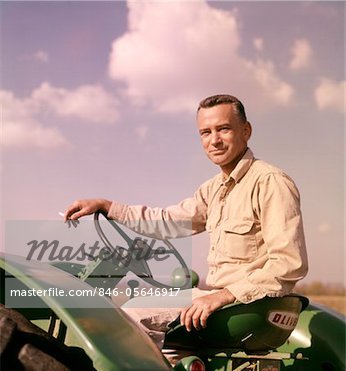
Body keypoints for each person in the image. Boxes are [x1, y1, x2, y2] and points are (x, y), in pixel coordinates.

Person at [64, 94, 308, 345]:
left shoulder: (269, 181)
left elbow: (288, 264)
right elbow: (167, 221)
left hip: (246, 305)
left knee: (125, 319)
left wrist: (222, 296)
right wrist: (108, 207)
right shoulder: (213, 190)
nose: (214, 140)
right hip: (228, 301)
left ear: (246, 131)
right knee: (142, 308)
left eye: (223, 129)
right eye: (205, 132)